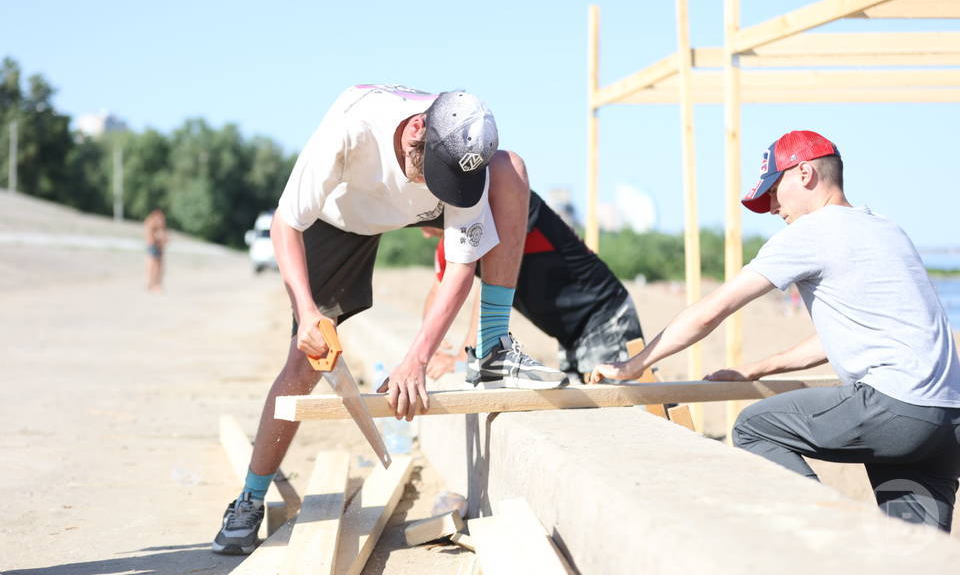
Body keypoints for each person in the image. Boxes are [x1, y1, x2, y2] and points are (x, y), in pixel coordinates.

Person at [212, 84, 567, 554]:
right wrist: (308, 310)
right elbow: (286, 225)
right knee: (306, 363)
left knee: (511, 170)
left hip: (403, 204)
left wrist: (416, 359)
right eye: (434, 173)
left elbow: (461, 266)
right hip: (342, 219)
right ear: (415, 130)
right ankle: (249, 498)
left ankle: (492, 346)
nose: (441, 186)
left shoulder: (460, 149)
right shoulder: (350, 131)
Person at [589, 130, 960, 530]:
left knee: (754, 427)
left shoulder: (812, 231)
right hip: (945, 420)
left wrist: (633, 365)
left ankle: (838, 535)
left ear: (804, 174)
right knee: (914, 549)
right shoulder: (886, 229)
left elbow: (710, 313)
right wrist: (757, 369)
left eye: (773, 189)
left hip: (894, 412)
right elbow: (858, 333)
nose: (771, 207)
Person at [421, 190, 644, 386]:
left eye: (427, 221)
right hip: (570, 336)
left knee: (617, 417)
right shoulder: (455, 243)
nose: (425, 233)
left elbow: (490, 286)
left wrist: (463, 357)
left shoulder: (511, 208)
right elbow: (437, 291)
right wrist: (429, 349)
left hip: (605, 316)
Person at [143, 209, 167, 292]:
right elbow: (151, 239)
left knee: (155, 267)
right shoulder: (151, 224)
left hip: (156, 247)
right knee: (154, 267)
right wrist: (160, 239)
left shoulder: (153, 224)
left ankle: (153, 284)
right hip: (153, 247)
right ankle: (153, 284)